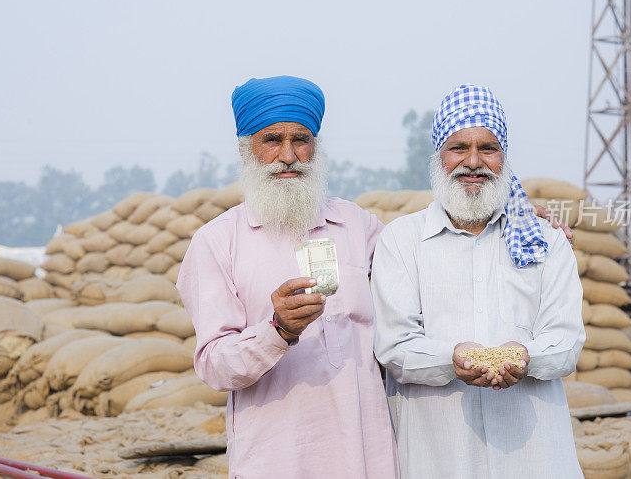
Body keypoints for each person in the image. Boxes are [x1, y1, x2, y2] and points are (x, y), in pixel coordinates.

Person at [177, 76, 572, 478]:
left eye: (301, 140)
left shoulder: (355, 225)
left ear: (316, 147)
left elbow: (439, 247)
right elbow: (213, 366)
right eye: (272, 141)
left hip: (369, 454)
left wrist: (509, 211)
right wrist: (276, 330)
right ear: (246, 150)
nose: (288, 155)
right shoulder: (216, 243)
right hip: (278, 455)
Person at [371, 84, 585, 478]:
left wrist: (525, 356)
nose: (474, 162)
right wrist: (452, 359)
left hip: (533, 458)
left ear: (504, 157)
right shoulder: (402, 240)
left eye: (488, 148)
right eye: (458, 148)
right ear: (439, 156)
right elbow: (395, 346)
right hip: (438, 455)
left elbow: (567, 341)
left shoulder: (545, 240)